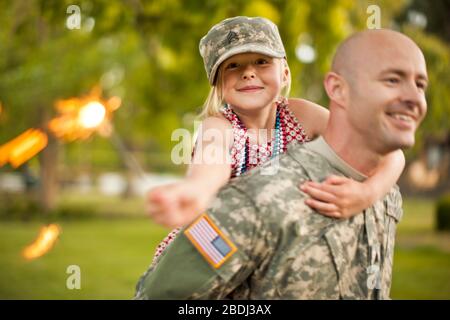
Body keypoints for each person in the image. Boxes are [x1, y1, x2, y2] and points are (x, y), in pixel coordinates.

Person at [134, 27, 428, 299]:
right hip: (222, 249)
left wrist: (366, 194)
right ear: (217, 83)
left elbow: (391, 155)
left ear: (285, 73)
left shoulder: (300, 114)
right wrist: (196, 192)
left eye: (262, 62)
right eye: (233, 66)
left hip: (278, 247)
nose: (248, 73)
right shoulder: (219, 125)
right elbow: (213, 160)